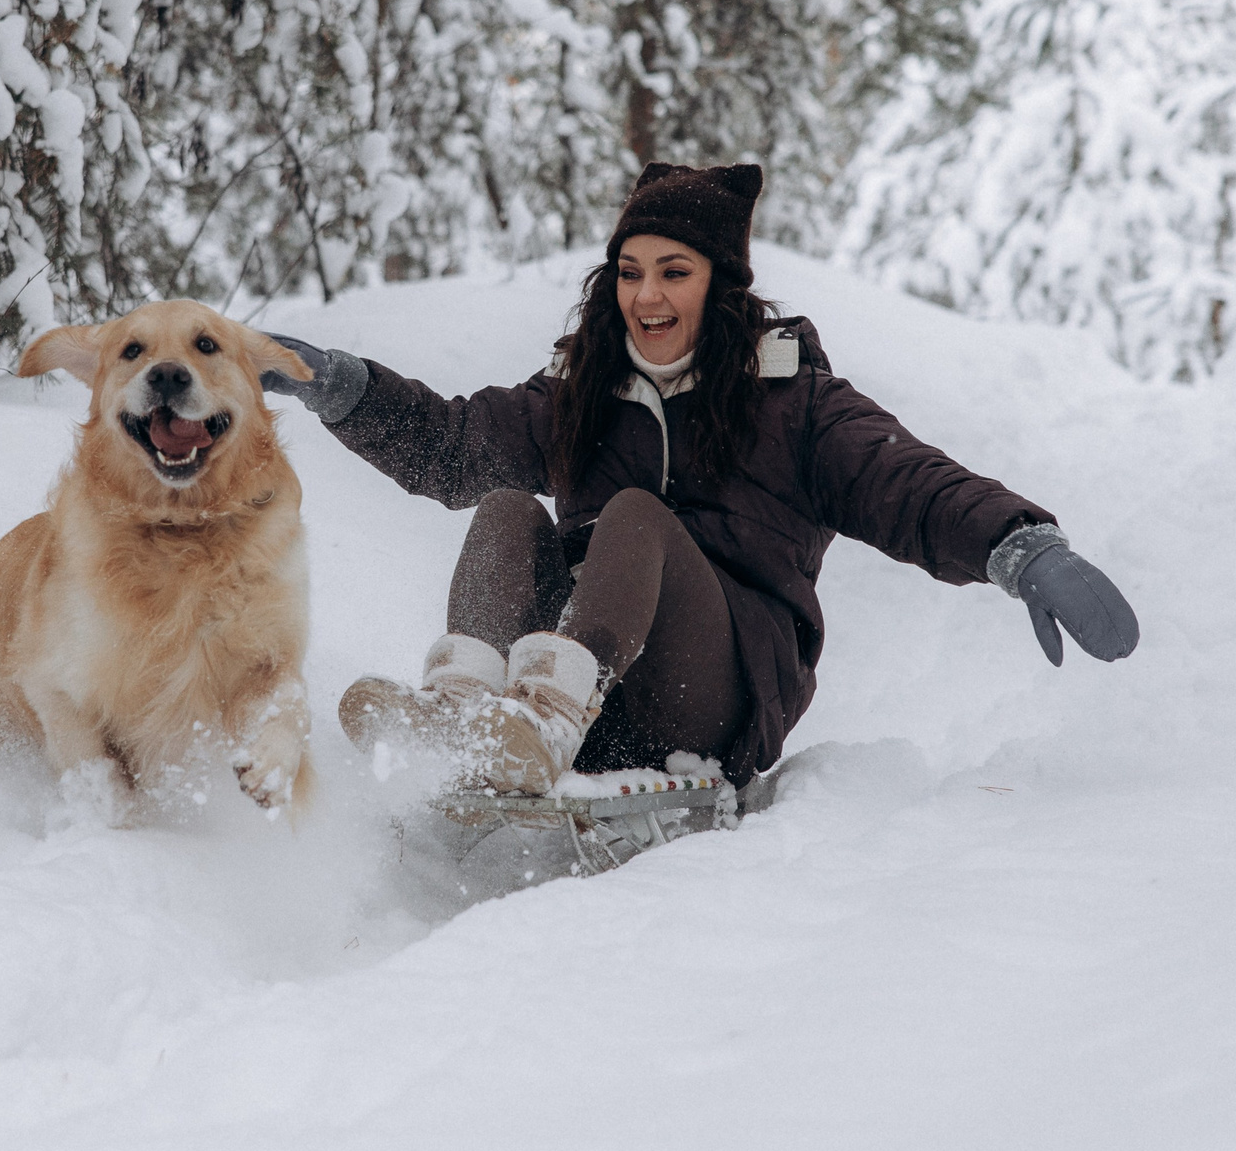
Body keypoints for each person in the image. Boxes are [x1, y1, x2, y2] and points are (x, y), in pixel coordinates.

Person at [261, 161, 1139, 796]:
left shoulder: (794, 402)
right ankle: (466, 712)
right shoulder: (584, 396)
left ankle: (539, 723)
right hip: (585, 682)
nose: (647, 295)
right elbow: (450, 444)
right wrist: (339, 386)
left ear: (719, 286)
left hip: (717, 696)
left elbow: (905, 481)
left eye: (674, 272)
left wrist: (1019, 546)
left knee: (634, 516)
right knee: (501, 507)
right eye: (631, 272)